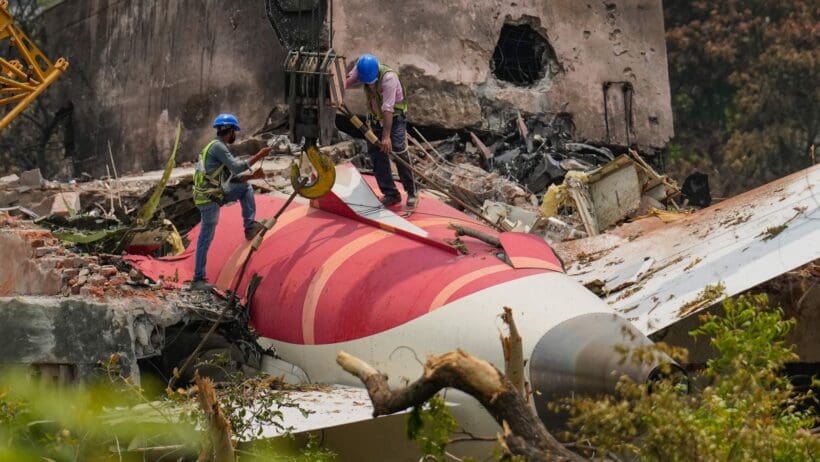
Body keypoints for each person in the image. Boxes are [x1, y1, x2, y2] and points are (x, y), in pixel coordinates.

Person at [190, 113, 271, 291]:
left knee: (246, 188)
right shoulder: (218, 147)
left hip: (212, 195)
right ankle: (198, 279)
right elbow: (236, 167)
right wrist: (259, 155)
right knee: (205, 238)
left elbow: (231, 178)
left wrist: (252, 176)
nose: (235, 135)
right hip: (209, 199)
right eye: (235, 131)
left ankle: (249, 227)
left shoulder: (214, 147)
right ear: (231, 131)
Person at [346, 53, 416, 207]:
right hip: (375, 119)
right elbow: (344, 82)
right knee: (376, 154)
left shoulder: (389, 79)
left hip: (394, 118)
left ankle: (412, 192)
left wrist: (386, 137)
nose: (370, 85)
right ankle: (391, 193)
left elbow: (387, 109)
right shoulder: (360, 69)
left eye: (371, 82)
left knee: (398, 150)